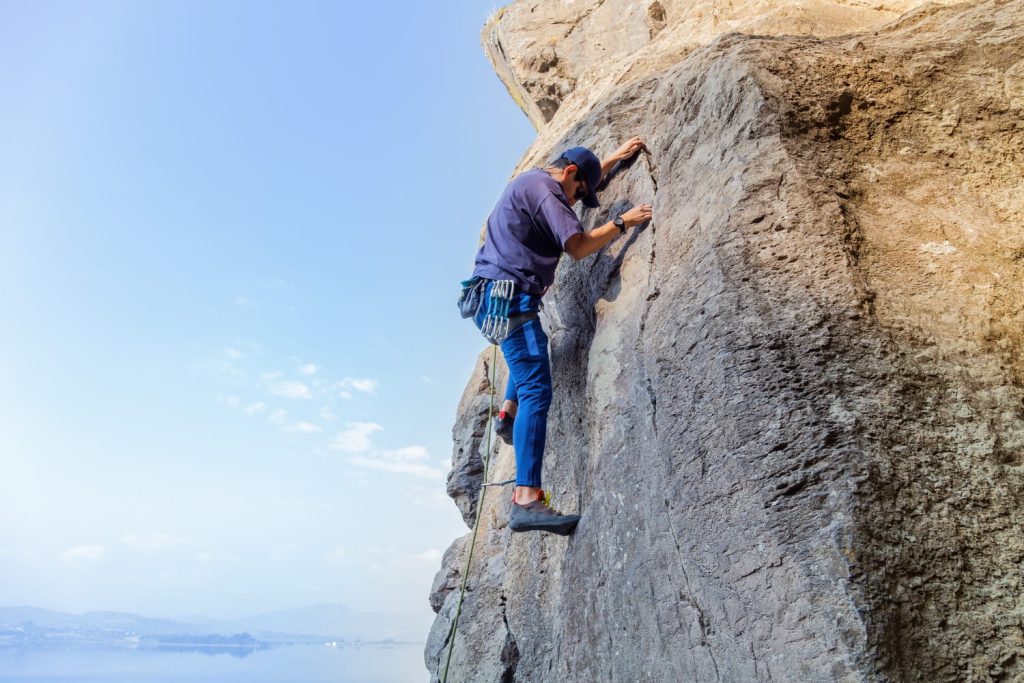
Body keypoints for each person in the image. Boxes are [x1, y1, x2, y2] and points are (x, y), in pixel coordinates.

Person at [466, 139, 653, 535]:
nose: (575, 201)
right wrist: (623, 223)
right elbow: (578, 247)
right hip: (510, 298)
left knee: (532, 354)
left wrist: (611, 159)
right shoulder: (548, 191)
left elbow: (576, 179)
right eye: (579, 192)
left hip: (495, 296)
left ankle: (507, 415)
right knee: (536, 387)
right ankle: (526, 499)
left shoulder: (533, 182)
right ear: (568, 173)